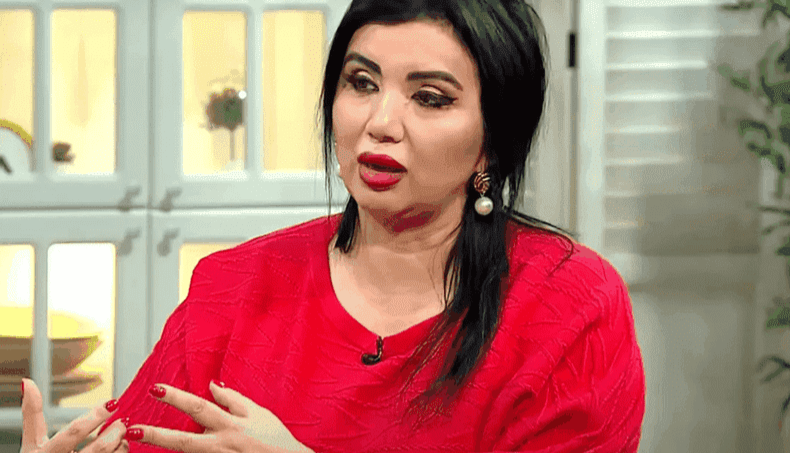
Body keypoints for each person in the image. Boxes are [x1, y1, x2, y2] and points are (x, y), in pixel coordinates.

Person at [19, 0, 645, 451]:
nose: (380, 122)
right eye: (361, 82)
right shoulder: (231, 286)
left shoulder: (570, 304)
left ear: (493, 143)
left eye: (429, 97)